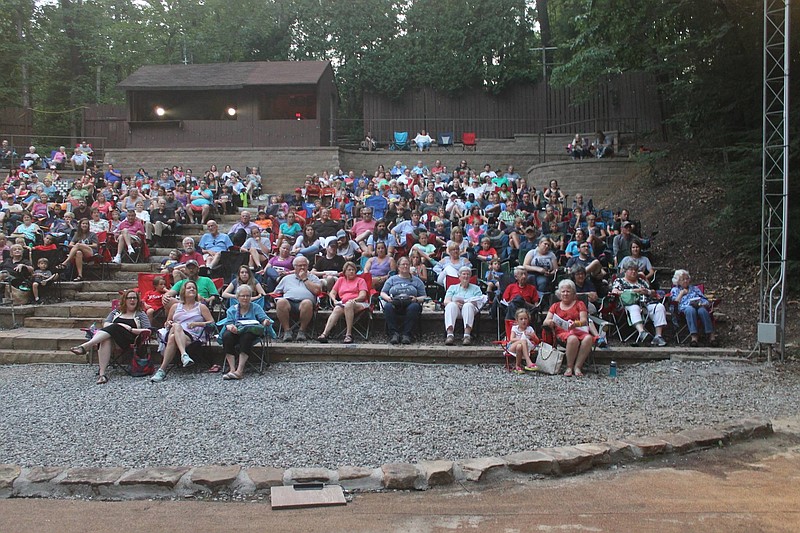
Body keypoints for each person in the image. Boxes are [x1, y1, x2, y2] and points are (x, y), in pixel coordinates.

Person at [70, 290, 151, 384]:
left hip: (130, 340)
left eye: (135, 298)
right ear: (125, 300)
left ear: (138, 300)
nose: (132, 300)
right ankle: (102, 375)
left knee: (114, 326)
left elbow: (148, 331)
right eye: (129, 298)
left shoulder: (140, 314)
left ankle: (86, 346)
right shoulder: (116, 312)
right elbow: (106, 324)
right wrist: (122, 325)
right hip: (114, 339)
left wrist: (130, 329)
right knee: (106, 338)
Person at [150, 280, 215, 382]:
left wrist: (197, 324)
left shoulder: (201, 307)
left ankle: (162, 370)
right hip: (175, 331)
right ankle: (184, 355)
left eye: (194, 288)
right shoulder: (175, 306)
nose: (192, 289)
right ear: (183, 291)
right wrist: (169, 323)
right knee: (176, 326)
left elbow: (212, 323)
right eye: (189, 288)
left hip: (193, 336)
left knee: (172, 338)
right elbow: (167, 322)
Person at [218, 285, 272, 380]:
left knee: (246, 337)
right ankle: (232, 369)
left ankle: (239, 370)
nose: (245, 298)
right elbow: (228, 323)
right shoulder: (233, 309)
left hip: (251, 332)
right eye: (243, 296)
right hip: (236, 331)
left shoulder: (256, 307)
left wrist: (265, 322)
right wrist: (231, 327)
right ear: (238, 297)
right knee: (226, 336)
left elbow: (263, 319)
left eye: (248, 296)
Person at [543, 279, 594, 377]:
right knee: (572, 338)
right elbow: (546, 321)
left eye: (568, 291)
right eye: (563, 291)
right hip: (562, 332)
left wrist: (575, 324)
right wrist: (551, 322)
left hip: (578, 329)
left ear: (573, 293)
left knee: (588, 338)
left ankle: (578, 366)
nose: (565, 294)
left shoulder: (580, 304)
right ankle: (569, 367)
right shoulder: (555, 306)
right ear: (559, 293)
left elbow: (584, 321)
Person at [611, 264, 668, 346]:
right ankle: (642, 332)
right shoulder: (619, 281)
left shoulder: (641, 281)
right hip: (629, 304)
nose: (633, 272)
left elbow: (653, 292)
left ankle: (658, 336)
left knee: (660, 307)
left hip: (646, 303)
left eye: (636, 270)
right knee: (634, 307)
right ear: (625, 271)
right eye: (631, 270)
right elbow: (615, 292)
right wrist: (635, 291)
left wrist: (646, 291)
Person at [316, 261, 369, 344]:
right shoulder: (341, 280)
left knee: (349, 304)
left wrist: (354, 300)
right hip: (344, 304)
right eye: (349, 270)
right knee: (337, 308)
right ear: (344, 272)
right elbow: (332, 293)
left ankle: (348, 335)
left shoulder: (360, 280)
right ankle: (324, 334)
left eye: (353, 270)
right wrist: (335, 300)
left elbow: (363, 295)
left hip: (359, 303)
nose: (351, 271)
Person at [274, 255, 321, 342]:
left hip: (306, 303)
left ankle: (302, 331)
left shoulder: (313, 278)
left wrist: (305, 279)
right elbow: (276, 293)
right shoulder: (286, 278)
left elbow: (317, 291)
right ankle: (287, 331)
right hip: (289, 302)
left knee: (306, 303)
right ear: (294, 267)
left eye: (305, 265)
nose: (302, 267)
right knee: (281, 302)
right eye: (300, 265)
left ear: (308, 266)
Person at [380, 256, 427, 345]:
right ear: (398, 267)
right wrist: (388, 298)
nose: (405, 266)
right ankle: (394, 334)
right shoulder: (392, 279)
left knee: (414, 307)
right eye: (403, 264)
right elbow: (382, 293)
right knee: (388, 306)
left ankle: (407, 334)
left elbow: (424, 296)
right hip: (395, 302)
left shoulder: (417, 280)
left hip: (410, 303)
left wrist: (416, 299)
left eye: (407, 264)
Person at [670, 269, 717, 347]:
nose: (685, 281)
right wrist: (681, 294)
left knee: (703, 311)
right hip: (684, 309)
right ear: (678, 281)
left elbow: (705, 299)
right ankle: (694, 337)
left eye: (687, 279)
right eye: (683, 279)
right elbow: (675, 302)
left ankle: (711, 336)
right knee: (690, 310)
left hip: (699, 306)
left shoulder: (695, 289)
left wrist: (704, 303)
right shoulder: (675, 290)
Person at [443, 266, 485, 346]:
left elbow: (480, 302)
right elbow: (446, 301)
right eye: (464, 274)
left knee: (467, 306)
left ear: (470, 276)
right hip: (457, 310)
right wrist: (455, 303)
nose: (466, 276)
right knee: (450, 305)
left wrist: (469, 302)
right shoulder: (453, 288)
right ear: (459, 276)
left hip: (471, 309)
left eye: (468, 274)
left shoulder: (476, 288)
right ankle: (450, 335)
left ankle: (467, 336)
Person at [508, 309, 540, 374]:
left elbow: (537, 341)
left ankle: (517, 366)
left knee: (519, 347)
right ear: (517, 321)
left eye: (525, 319)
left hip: (525, 348)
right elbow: (511, 339)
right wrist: (521, 340)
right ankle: (528, 362)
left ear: (528, 320)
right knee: (523, 341)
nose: (523, 321)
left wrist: (531, 335)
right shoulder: (515, 328)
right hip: (512, 347)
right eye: (521, 319)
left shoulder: (530, 329)